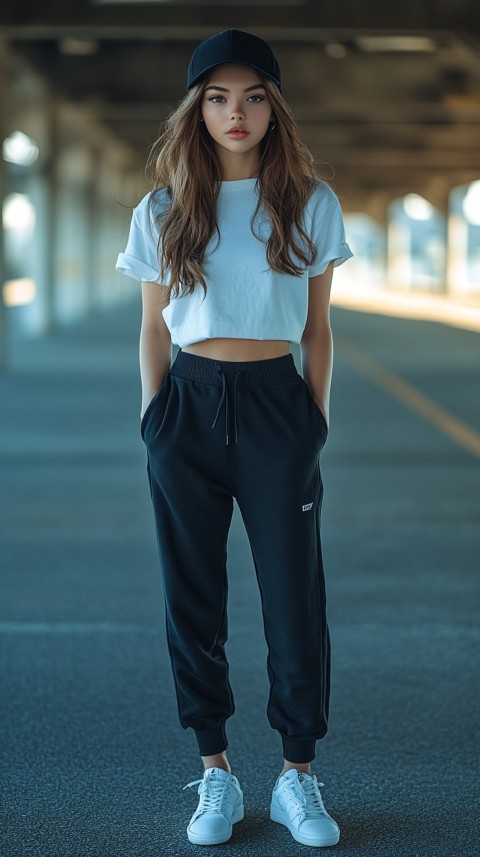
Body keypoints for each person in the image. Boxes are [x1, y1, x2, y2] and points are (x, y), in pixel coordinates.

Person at [116, 27, 353, 849]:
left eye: (253, 96)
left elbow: (318, 329)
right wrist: (155, 416)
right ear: (197, 110)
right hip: (187, 403)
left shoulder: (311, 201)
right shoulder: (162, 208)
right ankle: (215, 770)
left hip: (278, 407)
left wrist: (312, 419)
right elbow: (152, 327)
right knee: (194, 599)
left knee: (295, 599)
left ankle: (298, 775)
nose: (236, 112)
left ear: (274, 106)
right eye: (218, 98)